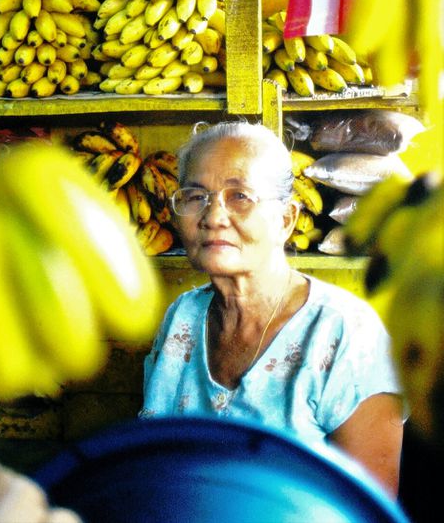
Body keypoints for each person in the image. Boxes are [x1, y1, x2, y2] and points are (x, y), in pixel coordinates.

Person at [139, 120, 404, 497]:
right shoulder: (183, 316)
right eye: (195, 196)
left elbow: (368, 508)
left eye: (240, 196)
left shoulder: (346, 334)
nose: (213, 217)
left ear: (286, 219)